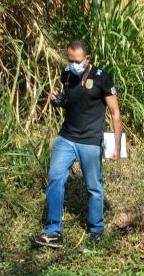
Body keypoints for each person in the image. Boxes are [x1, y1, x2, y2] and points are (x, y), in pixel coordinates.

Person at [30, 40, 123, 248]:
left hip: (90, 141)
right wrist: (59, 101)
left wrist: (116, 146)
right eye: (70, 60)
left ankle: (96, 230)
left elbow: (115, 113)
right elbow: (71, 103)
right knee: (55, 178)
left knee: (93, 186)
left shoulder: (102, 78)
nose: (73, 64)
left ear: (87, 59)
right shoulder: (67, 74)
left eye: (78, 61)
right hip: (66, 138)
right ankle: (53, 232)